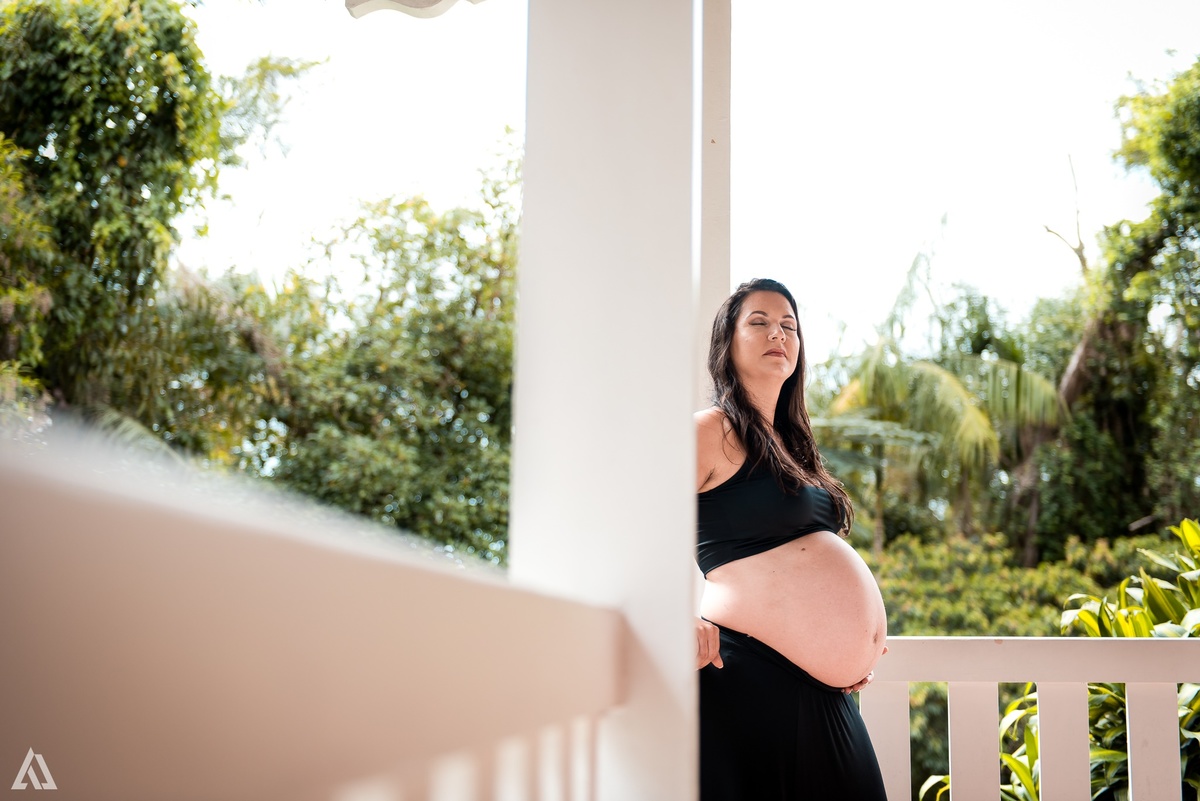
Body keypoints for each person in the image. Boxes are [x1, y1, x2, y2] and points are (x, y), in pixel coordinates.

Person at [696, 278, 889, 800]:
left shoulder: (794, 446)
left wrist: (849, 651)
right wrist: (676, 612)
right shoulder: (710, 430)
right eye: (757, 322)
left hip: (824, 690)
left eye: (788, 326)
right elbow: (638, 523)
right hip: (746, 672)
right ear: (727, 343)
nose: (776, 333)